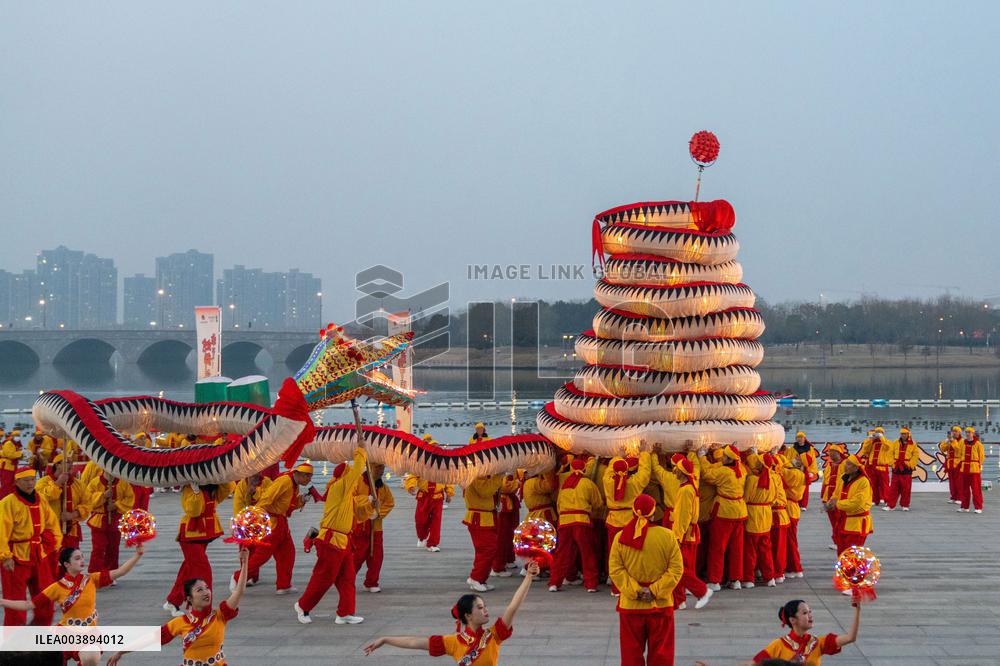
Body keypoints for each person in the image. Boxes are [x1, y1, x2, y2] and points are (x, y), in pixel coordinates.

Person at [362, 560, 540, 663]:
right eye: (479, 608)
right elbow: (413, 642)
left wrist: (529, 577)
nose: (485, 610)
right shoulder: (453, 642)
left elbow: (513, 606)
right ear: (468, 615)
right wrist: (385, 639)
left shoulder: (494, 636)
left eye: (484, 606)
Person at [0, 545, 144, 665]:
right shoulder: (57, 587)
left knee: (91, 658)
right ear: (67, 564)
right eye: (77, 558)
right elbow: (28, 604)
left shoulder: (91, 579)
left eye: (82, 557)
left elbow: (121, 571)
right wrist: (1, 601)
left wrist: (137, 555)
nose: (82, 560)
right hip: (64, 633)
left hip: (88, 633)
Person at [109, 547, 250, 666]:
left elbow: (239, 591)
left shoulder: (220, 615)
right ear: (189, 598)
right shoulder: (180, 623)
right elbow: (152, 638)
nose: (206, 592)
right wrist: (121, 651)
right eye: (199, 590)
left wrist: (244, 563)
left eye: (207, 588)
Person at [608, 494, 684, 665]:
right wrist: (655, 590)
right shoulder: (668, 536)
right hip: (661, 604)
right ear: (653, 513)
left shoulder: (620, 537)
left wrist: (635, 591)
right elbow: (676, 569)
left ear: (633, 512)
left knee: (631, 654)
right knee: (662, 654)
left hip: (631, 605)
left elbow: (615, 569)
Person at [295, 449, 367, 625]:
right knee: (323, 578)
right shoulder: (338, 487)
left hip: (344, 542)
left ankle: (345, 613)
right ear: (344, 476)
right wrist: (360, 451)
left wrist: (372, 505)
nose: (354, 479)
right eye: (350, 475)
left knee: (347, 578)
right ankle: (302, 606)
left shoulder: (346, 494)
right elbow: (357, 470)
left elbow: (358, 512)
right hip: (331, 541)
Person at [231, 461, 312, 594]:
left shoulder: (286, 483)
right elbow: (266, 499)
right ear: (297, 473)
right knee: (262, 555)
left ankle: (283, 585)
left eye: (310, 476)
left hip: (280, 522)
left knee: (287, 553)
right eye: (307, 476)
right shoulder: (284, 482)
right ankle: (238, 577)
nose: (309, 479)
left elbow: (284, 504)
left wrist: (301, 500)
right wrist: (251, 519)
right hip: (267, 522)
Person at [0, 467, 61, 625]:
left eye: (32, 480)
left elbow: (52, 523)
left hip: (39, 554)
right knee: (14, 600)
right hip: (16, 557)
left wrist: (55, 542)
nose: (30, 483)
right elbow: (1, 532)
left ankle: (38, 634)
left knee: (45, 596)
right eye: (26, 480)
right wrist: (5, 556)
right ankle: (13, 641)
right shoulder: (7, 503)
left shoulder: (41, 499)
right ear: (17, 482)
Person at [164, 482, 235, 616]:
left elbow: (228, 489)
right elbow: (193, 510)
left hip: (205, 533)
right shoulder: (189, 488)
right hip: (190, 535)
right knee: (203, 571)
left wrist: (223, 477)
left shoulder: (212, 488)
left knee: (188, 569)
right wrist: (196, 491)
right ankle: (201, 608)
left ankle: (173, 601)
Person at [663, 453, 712, 610]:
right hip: (689, 533)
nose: (673, 471)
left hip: (684, 534)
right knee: (682, 568)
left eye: (675, 469)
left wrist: (677, 536)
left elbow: (683, 517)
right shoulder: (690, 486)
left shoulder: (685, 491)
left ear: (681, 472)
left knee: (679, 569)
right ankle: (679, 601)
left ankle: (702, 591)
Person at [548, 457, 603, 593]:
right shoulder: (587, 483)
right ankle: (591, 584)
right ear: (584, 469)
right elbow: (598, 503)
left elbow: (559, 504)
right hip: (581, 521)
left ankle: (555, 583)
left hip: (565, 522)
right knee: (587, 553)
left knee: (562, 554)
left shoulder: (565, 484)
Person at [699, 444, 747, 590]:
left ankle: (714, 580)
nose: (722, 458)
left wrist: (701, 457)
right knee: (736, 548)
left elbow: (707, 475)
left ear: (728, 458)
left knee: (717, 547)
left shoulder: (724, 472)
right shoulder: (742, 469)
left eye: (724, 456)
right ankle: (736, 579)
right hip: (739, 512)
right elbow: (721, 465)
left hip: (724, 513)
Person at [753, 599, 861, 664]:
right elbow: (753, 664)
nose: (810, 615)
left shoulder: (817, 643)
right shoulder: (779, 645)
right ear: (792, 620)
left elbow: (850, 637)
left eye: (810, 612)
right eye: (805, 613)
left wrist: (857, 609)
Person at [605, 453, 652, 595]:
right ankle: (631, 586)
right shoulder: (634, 483)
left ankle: (616, 588)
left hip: (613, 521)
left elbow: (608, 470)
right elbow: (645, 472)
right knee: (632, 557)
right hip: (631, 522)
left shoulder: (607, 481)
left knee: (614, 556)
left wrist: (617, 456)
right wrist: (644, 453)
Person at [353, 463, 395, 593]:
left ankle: (371, 581)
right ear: (369, 467)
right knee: (357, 556)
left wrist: (378, 513)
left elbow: (390, 502)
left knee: (377, 556)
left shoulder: (383, 487)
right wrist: (366, 500)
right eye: (377, 467)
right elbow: (349, 498)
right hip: (360, 525)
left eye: (382, 467)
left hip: (376, 527)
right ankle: (346, 580)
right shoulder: (357, 481)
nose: (380, 471)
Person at [35, 453, 89, 552]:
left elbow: (87, 504)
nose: (71, 465)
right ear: (57, 465)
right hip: (50, 531)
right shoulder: (43, 482)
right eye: (67, 462)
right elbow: (42, 499)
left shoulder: (79, 484)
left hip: (71, 531)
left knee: (71, 562)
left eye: (72, 463)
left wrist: (73, 514)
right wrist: (58, 483)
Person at [85, 469, 135, 575]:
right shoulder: (95, 482)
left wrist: (116, 505)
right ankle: (94, 573)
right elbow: (88, 500)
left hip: (115, 520)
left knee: (113, 548)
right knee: (98, 548)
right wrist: (103, 496)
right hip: (99, 521)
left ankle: (111, 573)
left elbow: (130, 498)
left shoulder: (123, 482)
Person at [462, 472, 505, 592]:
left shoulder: (482, 472)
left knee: (488, 549)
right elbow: (485, 491)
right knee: (487, 549)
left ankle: (480, 578)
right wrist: (498, 476)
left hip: (486, 515)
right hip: (479, 517)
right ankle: (476, 578)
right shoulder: (476, 473)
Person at [743, 452, 777, 589]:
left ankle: (749, 578)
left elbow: (746, 497)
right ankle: (770, 578)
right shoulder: (773, 478)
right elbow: (774, 498)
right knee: (766, 550)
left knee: (750, 550)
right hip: (766, 514)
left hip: (753, 514)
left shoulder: (752, 479)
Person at [825, 455, 872, 554]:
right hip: (843, 522)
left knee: (852, 555)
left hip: (857, 524)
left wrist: (837, 504)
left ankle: (852, 570)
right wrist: (830, 503)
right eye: (846, 463)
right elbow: (836, 494)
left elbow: (857, 503)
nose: (845, 466)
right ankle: (844, 569)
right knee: (842, 553)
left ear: (856, 468)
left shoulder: (863, 482)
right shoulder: (843, 478)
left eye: (849, 464)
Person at [405, 472, 451, 552]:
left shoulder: (443, 466)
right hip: (424, 496)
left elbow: (448, 480)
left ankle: (433, 544)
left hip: (437, 497)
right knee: (420, 520)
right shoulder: (420, 465)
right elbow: (412, 476)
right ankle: (422, 536)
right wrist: (411, 486)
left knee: (436, 522)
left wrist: (449, 493)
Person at [780, 456, 805, 579]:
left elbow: (782, 471)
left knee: (790, 542)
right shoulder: (798, 473)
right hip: (792, 508)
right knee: (791, 541)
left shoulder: (795, 474)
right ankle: (793, 567)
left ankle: (795, 567)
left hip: (790, 509)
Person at [767, 453, 790, 582]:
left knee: (777, 547)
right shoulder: (776, 476)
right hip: (775, 514)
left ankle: (778, 572)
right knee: (776, 546)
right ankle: (776, 571)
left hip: (777, 515)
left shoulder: (773, 477)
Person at [820, 445, 847, 550]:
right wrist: (823, 497)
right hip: (828, 496)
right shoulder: (829, 466)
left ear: (838, 453)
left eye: (833, 452)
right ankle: (836, 541)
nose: (830, 454)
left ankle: (840, 542)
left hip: (839, 497)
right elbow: (825, 482)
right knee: (833, 521)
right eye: (829, 452)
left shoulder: (845, 464)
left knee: (839, 520)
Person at [885, 428, 919, 511]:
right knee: (893, 487)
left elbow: (915, 455)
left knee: (906, 488)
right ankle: (890, 505)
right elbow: (890, 453)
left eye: (905, 434)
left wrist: (910, 464)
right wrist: (892, 463)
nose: (903, 435)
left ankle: (905, 505)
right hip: (896, 466)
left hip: (907, 467)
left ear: (908, 434)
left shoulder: (913, 444)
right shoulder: (895, 442)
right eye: (902, 434)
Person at [953, 426, 984, 513]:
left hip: (974, 470)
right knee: (964, 489)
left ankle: (978, 507)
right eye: (966, 432)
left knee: (976, 489)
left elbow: (981, 457)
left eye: (969, 432)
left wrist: (978, 465)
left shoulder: (978, 444)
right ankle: (964, 506)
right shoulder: (963, 442)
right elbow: (958, 452)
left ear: (973, 434)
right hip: (964, 469)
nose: (967, 434)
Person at [859, 428, 891, 506]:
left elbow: (888, 447)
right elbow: (865, 450)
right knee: (873, 484)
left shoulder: (886, 442)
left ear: (883, 433)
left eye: (879, 432)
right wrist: (870, 439)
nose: (877, 434)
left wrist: (881, 438)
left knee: (884, 484)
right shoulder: (872, 442)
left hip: (882, 466)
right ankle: (874, 499)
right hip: (872, 466)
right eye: (876, 432)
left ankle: (886, 499)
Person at [787, 433, 819, 510]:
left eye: (801, 437)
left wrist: (812, 471)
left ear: (804, 438)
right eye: (798, 437)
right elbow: (788, 459)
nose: (799, 439)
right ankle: (796, 502)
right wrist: (794, 462)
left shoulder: (810, 449)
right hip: (795, 469)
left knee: (805, 488)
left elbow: (813, 460)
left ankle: (803, 505)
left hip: (805, 469)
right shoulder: (792, 449)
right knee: (795, 486)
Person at [939, 426, 963, 503]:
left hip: (958, 462)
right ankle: (953, 497)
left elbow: (959, 450)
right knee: (952, 481)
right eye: (953, 431)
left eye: (956, 431)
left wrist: (953, 441)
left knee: (959, 481)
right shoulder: (950, 440)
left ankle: (960, 497)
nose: (954, 433)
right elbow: (943, 449)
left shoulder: (962, 441)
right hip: (950, 462)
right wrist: (947, 441)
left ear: (959, 432)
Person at [0, 430, 25, 499]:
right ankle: (2, 499)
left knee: (13, 483)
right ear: (12, 436)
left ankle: (10, 498)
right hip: (6, 467)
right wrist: (21, 454)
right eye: (16, 435)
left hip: (13, 466)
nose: (17, 437)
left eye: (18, 435)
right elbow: (10, 454)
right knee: (6, 484)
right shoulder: (9, 443)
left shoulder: (17, 444)